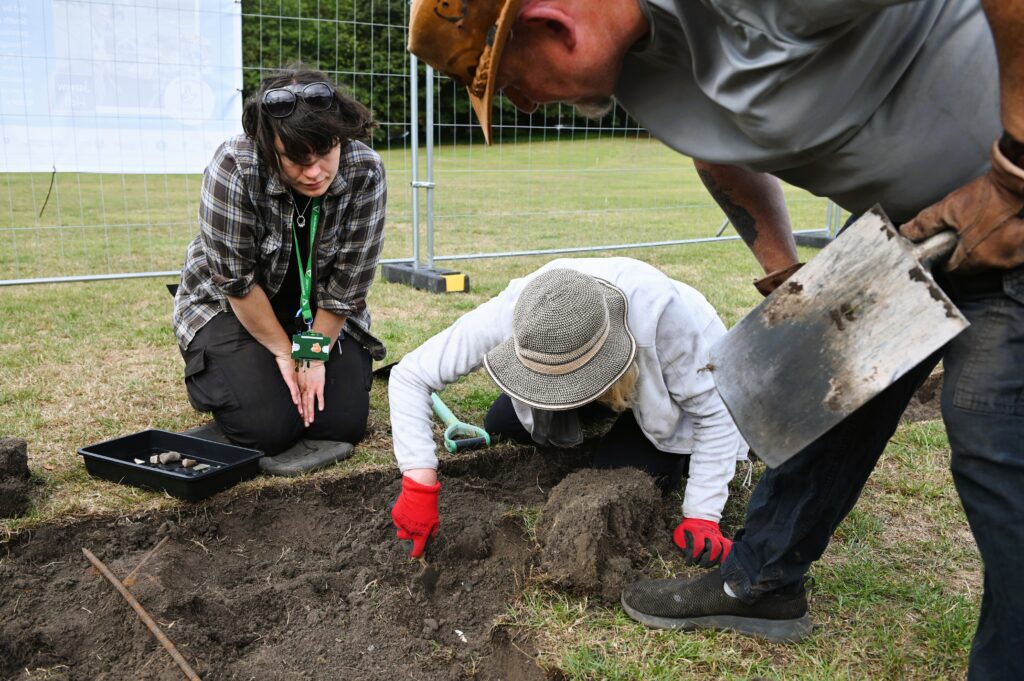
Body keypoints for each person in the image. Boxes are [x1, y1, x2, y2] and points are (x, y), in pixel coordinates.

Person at [406, 0, 1024, 672]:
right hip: (913, 218)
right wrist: (785, 273)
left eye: (512, 85)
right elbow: (713, 147)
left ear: (554, 25)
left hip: (1008, 196)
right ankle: (760, 582)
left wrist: (1013, 170)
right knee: (814, 379)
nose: (523, 107)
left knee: (994, 432)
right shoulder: (641, 67)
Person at [388, 257, 749, 566]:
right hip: (599, 365)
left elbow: (715, 414)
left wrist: (703, 515)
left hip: (664, 383)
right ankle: (595, 409)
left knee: (618, 474)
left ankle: (655, 446)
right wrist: (419, 483)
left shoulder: (665, 319)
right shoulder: (519, 311)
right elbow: (410, 375)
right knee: (502, 422)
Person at [172, 66, 388, 456]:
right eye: (295, 159)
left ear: (341, 135)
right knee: (268, 431)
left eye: (325, 153)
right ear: (269, 146)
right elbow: (235, 282)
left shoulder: (365, 170)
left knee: (340, 425)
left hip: (317, 313)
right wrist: (286, 353)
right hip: (231, 308)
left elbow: (346, 290)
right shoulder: (235, 165)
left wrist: (311, 354)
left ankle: (265, 381)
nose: (314, 172)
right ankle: (237, 384)